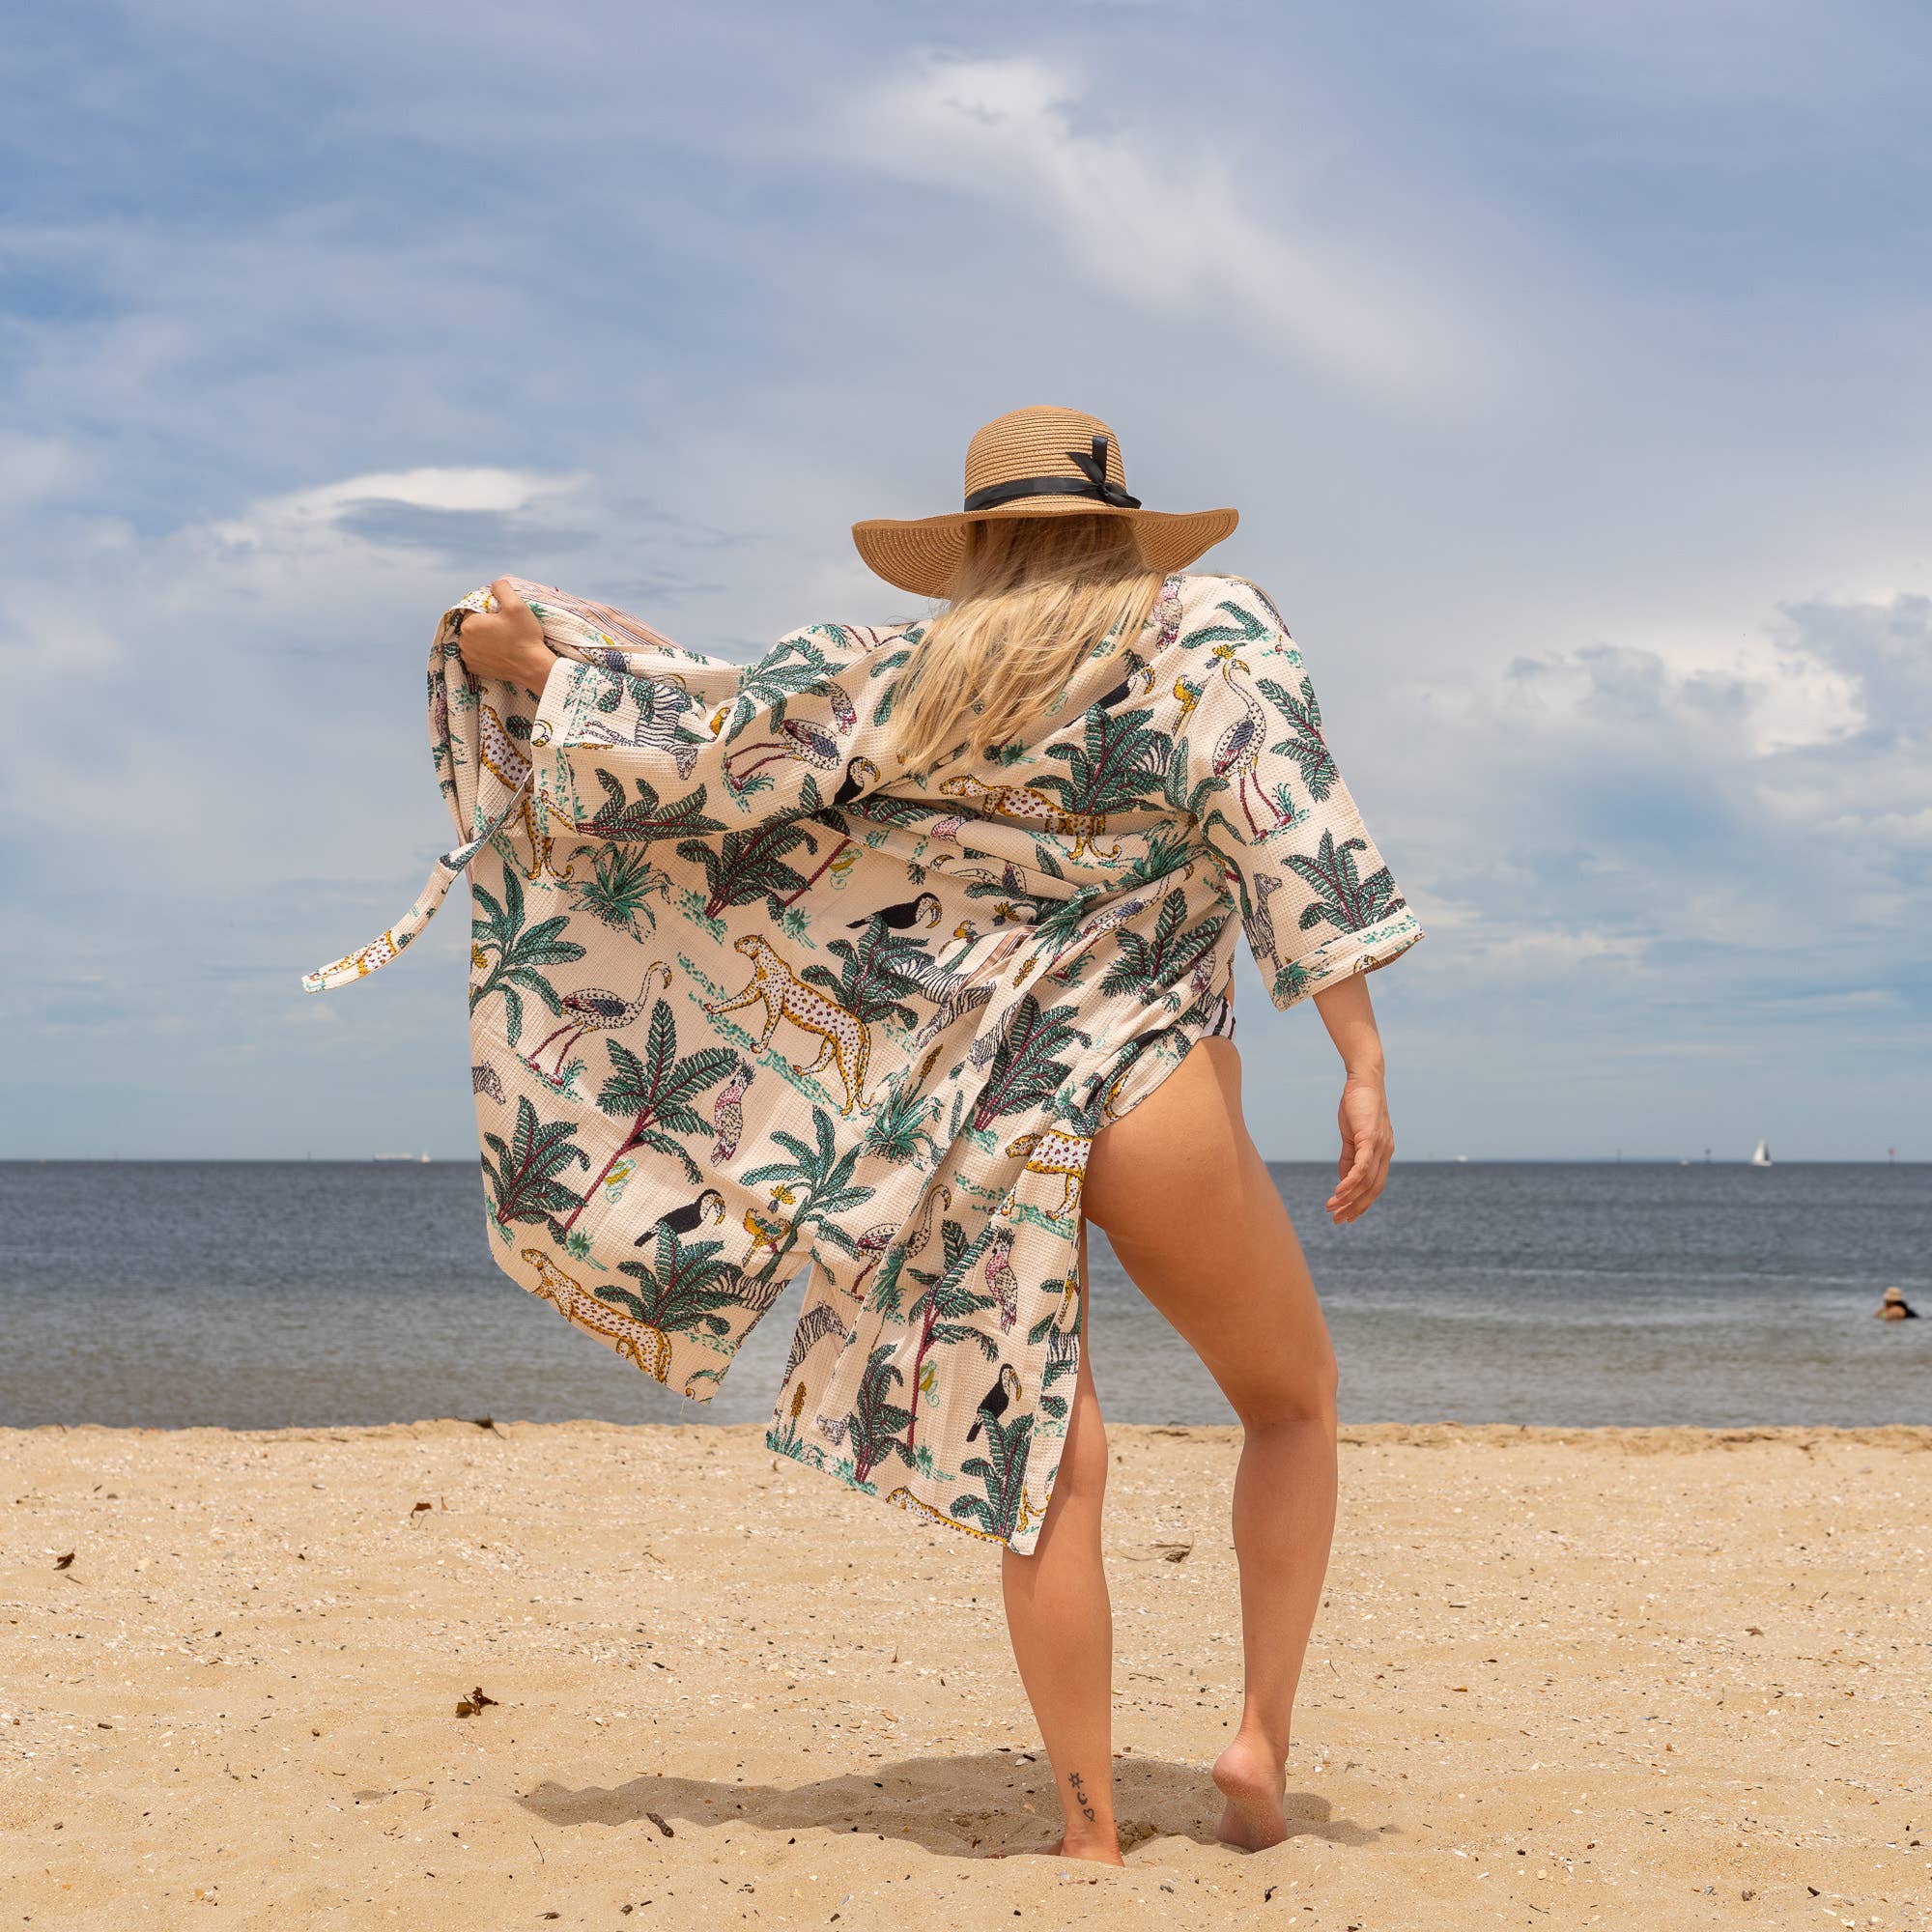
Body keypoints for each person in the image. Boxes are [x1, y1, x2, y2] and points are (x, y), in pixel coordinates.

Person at [437, 405, 1424, 1862]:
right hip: (1154, 1078)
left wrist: (525, 653)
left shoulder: (920, 669)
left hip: (971, 1108)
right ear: (1117, 524)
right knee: (1290, 1404)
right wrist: (1360, 1060)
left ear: (977, 543)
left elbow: (709, 737)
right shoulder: (1211, 624)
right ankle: (1258, 1740)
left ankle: (1089, 1835)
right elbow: (1291, 820)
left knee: (1046, 1467)